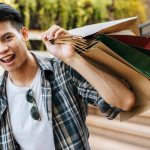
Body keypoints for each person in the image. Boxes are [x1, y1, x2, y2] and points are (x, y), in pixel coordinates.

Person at [0, 3, 135, 150]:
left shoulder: (63, 71)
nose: (3, 49)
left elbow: (125, 101)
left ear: (24, 34)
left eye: (7, 38)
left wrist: (72, 58)